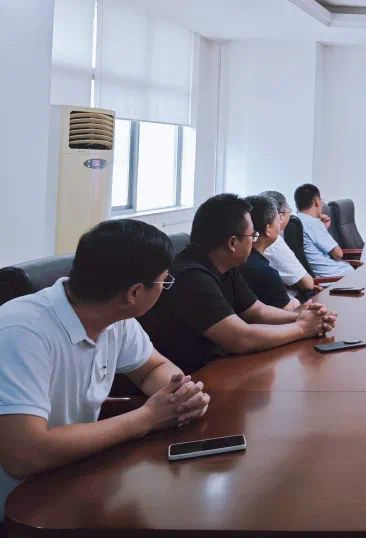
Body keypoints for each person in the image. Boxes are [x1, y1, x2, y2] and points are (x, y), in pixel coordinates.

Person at [0, 220, 211, 515]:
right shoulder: (22, 332)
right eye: (164, 281)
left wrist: (180, 396)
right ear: (134, 293)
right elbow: (24, 455)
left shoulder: (115, 319)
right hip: (22, 505)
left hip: (74, 475)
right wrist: (147, 417)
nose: (165, 289)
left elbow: (152, 368)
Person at [138, 193, 338, 373]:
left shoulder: (225, 265)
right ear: (233, 243)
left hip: (217, 368)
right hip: (191, 376)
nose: (253, 241)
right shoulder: (191, 277)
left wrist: (299, 317)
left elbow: (257, 311)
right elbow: (240, 338)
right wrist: (302, 328)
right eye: (252, 236)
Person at [239, 195, 299, 311]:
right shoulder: (265, 272)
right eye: (277, 219)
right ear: (268, 229)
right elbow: (288, 310)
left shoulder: (237, 261)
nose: (280, 223)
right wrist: (295, 302)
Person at [261, 190, 318, 299]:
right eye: (289, 211)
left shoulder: (252, 237)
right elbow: (308, 284)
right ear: (280, 216)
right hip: (288, 302)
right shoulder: (274, 242)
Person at [293, 183, 354, 278]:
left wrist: (323, 228)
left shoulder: (296, 221)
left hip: (324, 276)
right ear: (316, 201)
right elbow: (338, 254)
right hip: (336, 276)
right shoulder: (312, 223)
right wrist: (320, 226)